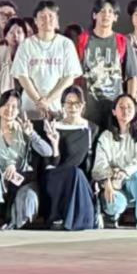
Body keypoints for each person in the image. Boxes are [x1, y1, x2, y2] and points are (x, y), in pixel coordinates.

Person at [0, 90, 52, 231]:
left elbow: (48, 152)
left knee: (28, 201)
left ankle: (14, 225)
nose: (9, 110)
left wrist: (32, 134)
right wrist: (6, 167)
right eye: (5, 105)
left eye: (14, 107)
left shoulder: (25, 129)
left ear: (18, 111)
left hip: (22, 180)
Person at [11, 2, 82, 120]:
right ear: (35, 20)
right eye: (42, 16)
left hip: (58, 107)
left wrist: (48, 100)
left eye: (50, 16)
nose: (47, 20)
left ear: (57, 19)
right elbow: (22, 76)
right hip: (30, 108)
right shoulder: (26, 45)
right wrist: (39, 101)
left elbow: (69, 77)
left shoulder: (66, 44)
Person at [92, 93, 137, 229]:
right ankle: (111, 216)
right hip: (113, 183)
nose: (125, 111)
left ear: (135, 110)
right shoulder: (106, 136)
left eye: (129, 107)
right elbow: (100, 164)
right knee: (115, 204)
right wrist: (107, 181)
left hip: (133, 183)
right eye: (121, 107)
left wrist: (124, 172)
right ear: (114, 111)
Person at [41, 87, 97, 231]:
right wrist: (54, 144)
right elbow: (51, 164)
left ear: (83, 105)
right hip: (56, 175)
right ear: (63, 105)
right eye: (69, 103)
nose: (73, 107)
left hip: (79, 178)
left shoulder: (91, 129)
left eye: (77, 103)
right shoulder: (54, 127)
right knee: (73, 172)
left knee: (76, 173)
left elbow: (91, 162)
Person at [77, 0, 126, 127]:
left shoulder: (122, 41)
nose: (106, 15)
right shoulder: (83, 40)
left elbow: (132, 75)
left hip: (114, 108)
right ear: (94, 15)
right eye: (102, 11)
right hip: (88, 108)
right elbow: (74, 74)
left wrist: (128, 105)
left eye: (110, 12)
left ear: (115, 17)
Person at [0, 17, 27, 96]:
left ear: (25, 36)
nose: (15, 36)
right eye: (11, 33)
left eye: (19, 32)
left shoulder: (29, 57)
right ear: (5, 36)